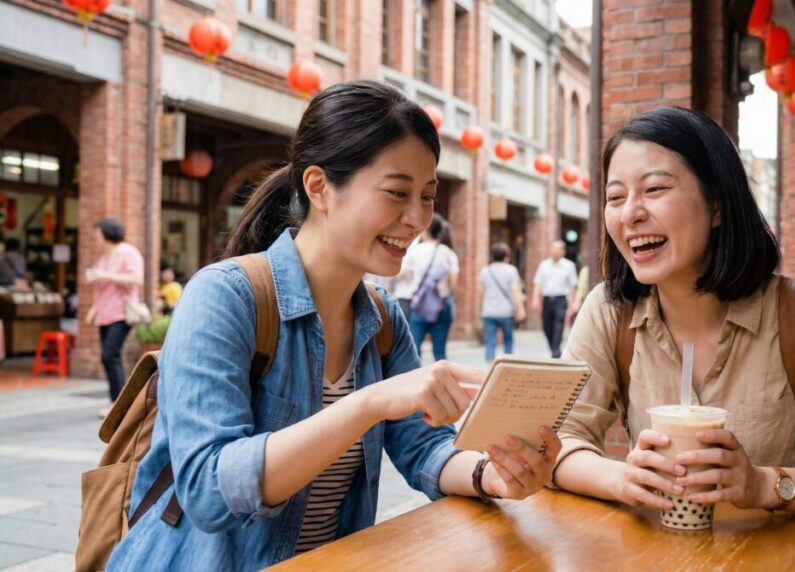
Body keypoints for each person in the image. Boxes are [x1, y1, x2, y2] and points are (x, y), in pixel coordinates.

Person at [106, 81, 560, 570]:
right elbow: (210, 488)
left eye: (427, 196)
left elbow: (423, 444)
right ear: (319, 187)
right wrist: (367, 404)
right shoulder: (224, 295)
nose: (416, 218)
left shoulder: (381, 316)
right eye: (396, 193)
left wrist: (490, 475)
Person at [552, 106, 795, 516]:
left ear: (718, 205)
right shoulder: (609, 312)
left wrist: (764, 484)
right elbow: (556, 439)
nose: (630, 213)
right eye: (615, 197)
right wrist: (620, 478)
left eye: (654, 190)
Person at [84, 217, 144, 417]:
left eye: (97, 234)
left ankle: (119, 403)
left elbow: (136, 279)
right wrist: (93, 309)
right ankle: (116, 401)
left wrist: (104, 275)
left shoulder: (129, 252)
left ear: (107, 234)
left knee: (109, 355)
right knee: (110, 357)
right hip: (105, 313)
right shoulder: (104, 257)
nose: (96, 238)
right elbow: (103, 288)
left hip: (122, 312)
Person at [402, 214, 459, 361]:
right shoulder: (448, 252)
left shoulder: (415, 251)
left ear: (425, 230)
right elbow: (453, 282)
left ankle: (417, 381)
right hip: (442, 304)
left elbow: (402, 275)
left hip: (419, 303)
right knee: (440, 352)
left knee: (414, 349)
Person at [530, 241, 578, 358]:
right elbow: (538, 283)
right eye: (553, 248)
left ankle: (555, 351)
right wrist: (535, 299)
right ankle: (553, 347)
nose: (555, 251)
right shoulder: (544, 265)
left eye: (558, 249)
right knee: (547, 327)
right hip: (547, 300)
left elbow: (572, 286)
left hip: (561, 300)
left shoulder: (569, 265)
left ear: (563, 252)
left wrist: (572, 305)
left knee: (559, 325)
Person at [479, 242, 525, 361]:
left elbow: (481, 292)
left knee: (490, 341)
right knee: (508, 339)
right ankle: (507, 364)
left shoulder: (485, 271)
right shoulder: (511, 270)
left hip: (489, 311)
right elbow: (516, 291)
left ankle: (490, 367)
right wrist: (520, 309)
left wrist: (481, 308)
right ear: (506, 256)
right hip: (506, 312)